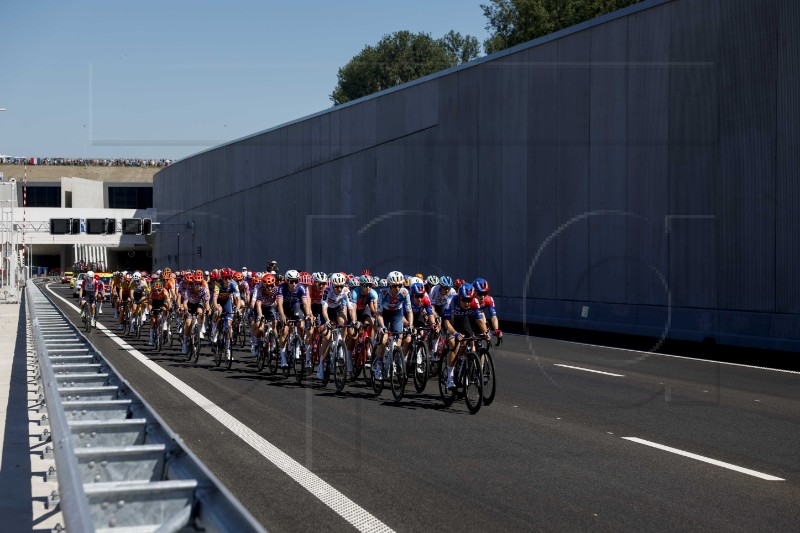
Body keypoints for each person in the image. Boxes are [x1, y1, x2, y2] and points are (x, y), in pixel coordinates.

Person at [442, 283, 487, 389]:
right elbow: (446, 322)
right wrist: (455, 333)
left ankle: (462, 364)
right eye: (464, 300)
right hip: (451, 322)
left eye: (469, 300)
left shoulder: (475, 302)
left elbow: (479, 320)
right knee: (454, 344)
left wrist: (485, 333)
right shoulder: (452, 300)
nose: (467, 303)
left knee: (470, 338)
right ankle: (450, 377)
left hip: (463, 320)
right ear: (459, 297)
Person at [374, 271, 413, 380]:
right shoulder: (383, 292)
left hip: (397, 314)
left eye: (399, 285)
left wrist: (410, 325)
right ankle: (379, 367)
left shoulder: (405, 292)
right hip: (384, 315)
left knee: (399, 337)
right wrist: (382, 326)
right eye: (395, 286)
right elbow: (379, 313)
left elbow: (409, 311)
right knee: (384, 339)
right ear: (390, 285)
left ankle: (396, 359)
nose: (397, 288)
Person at [276, 269, 312, 368]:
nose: (294, 284)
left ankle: (297, 346)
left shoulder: (301, 288)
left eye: (296, 281)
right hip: (284, 308)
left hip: (295, 307)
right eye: (292, 281)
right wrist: (282, 315)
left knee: (301, 325)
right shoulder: (282, 288)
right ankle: (283, 358)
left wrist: (308, 314)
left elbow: (305, 304)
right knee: (284, 331)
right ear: (287, 281)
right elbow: (279, 304)